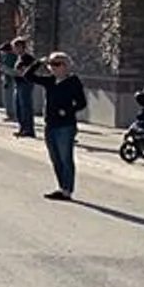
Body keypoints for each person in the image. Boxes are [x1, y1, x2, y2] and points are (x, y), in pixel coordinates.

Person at [21, 50, 86, 200]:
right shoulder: (49, 81)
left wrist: (68, 110)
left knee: (65, 157)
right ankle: (61, 187)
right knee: (55, 157)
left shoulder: (73, 81)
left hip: (66, 125)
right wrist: (38, 63)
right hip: (50, 124)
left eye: (56, 64)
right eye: (51, 65)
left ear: (65, 66)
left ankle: (67, 190)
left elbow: (82, 102)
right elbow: (27, 76)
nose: (53, 67)